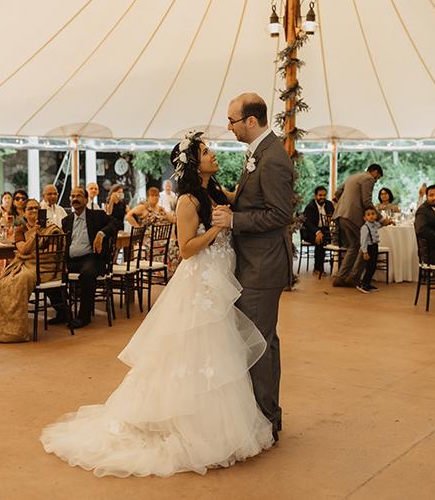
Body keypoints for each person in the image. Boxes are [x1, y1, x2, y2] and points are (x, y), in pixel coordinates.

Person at [41, 132, 273, 477]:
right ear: (193, 164)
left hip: (217, 283)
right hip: (200, 285)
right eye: (206, 152)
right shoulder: (187, 201)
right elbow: (186, 248)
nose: (213, 154)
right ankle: (181, 425)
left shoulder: (213, 191)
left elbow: (241, 196)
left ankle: (218, 425)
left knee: (218, 353)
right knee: (196, 348)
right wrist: (216, 229)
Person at [212, 92, 294, 442]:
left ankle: (266, 419)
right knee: (258, 341)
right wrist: (228, 199)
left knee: (259, 344)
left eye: (232, 120)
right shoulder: (259, 152)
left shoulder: (272, 158)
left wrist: (234, 220)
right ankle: (262, 415)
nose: (229, 127)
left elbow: (280, 214)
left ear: (250, 120)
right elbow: (257, 200)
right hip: (253, 262)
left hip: (263, 265)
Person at [0, 199, 62, 342]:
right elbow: (23, 250)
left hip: (43, 267)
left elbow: (51, 254)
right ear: (24, 213)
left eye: (36, 208)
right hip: (23, 264)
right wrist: (35, 235)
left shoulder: (51, 229)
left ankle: (15, 331)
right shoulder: (20, 230)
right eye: (30, 209)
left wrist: (34, 246)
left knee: (21, 280)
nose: (34, 211)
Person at [46, 186, 119, 328]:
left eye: (79, 196)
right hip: (71, 260)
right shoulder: (66, 221)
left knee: (87, 275)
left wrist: (101, 233)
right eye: (73, 196)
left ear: (86, 199)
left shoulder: (97, 215)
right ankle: (63, 312)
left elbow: (116, 223)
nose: (75, 199)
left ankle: (83, 317)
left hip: (90, 258)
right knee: (49, 274)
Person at [332, 164, 388, 288]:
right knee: (365, 245)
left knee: (354, 246)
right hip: (353, 216)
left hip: (341, 215)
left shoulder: (352, 177)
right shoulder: (368, 179)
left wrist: (345, 203)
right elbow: (366, 202)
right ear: (375, 172)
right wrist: (381, 219)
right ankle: (354, 278)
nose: (376, 180)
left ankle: (340, 277)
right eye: (378, 177)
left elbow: (337, 194)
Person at [301, 186, 334, 275]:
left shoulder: (329, 204)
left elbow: (333, 216)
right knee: (320, 240)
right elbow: (308, 223)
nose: (322, 197)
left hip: (325, 230)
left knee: (337, 239)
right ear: (315, 196)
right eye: (320, 195)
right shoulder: (310, 207)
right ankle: (318, 268)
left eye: (324, 195)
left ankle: (336, 266)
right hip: (310, 231)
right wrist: (317, 232)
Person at [356, 206, 381, 294]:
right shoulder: (365, 227)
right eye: (368, 215)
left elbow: (381, 225)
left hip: (375, 246)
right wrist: (365, 252)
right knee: (369, 267)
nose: (371, 216)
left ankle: (368, 283)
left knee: (373, 266)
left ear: (376, 215)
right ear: (364, 218)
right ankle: (363, 284)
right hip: (369, 248)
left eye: (373, 214)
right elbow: (363, 241)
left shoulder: (376, 224)